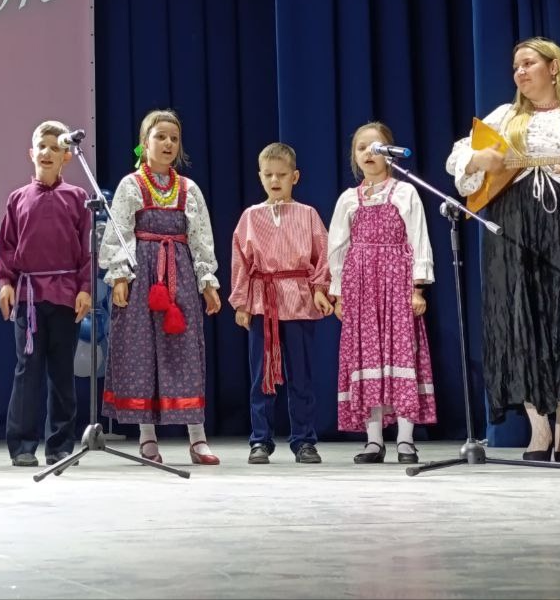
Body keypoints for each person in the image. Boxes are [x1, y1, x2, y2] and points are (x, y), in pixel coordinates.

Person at [446, 37, 560, 462]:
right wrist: (478, 160)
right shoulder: (506, 116)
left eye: (528, 63)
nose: (520, 72)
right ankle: (539, 429)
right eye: (516, 66)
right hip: (513, 224)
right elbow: (458, 156)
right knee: (521, 316)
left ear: (553, 67)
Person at [100, 109, 223, 465]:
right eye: (160, 137)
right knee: (142, 353)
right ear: (144, 142)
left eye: (174, 138)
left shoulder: (189, 189)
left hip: (178, 276)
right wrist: (120, 277)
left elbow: (201, 239)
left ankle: (197, 438)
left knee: (185, 353)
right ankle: (147, 437)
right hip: (141, 277)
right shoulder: (130, 186)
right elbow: (120, 233)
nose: (168, 143)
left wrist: (207, 282)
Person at [328, 121, 437, 465]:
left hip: (395, 283)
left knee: (400, 355)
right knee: (366, 358)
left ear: (389, 153)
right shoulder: (348, 199)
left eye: (376, 147)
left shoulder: (405, 192)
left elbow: (418, 238)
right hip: (361, 286)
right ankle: (373, 440)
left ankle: (405, 439)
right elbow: (337, 249)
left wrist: (417, 287)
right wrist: (338, 294)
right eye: (361, 147)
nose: (368, 153)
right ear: (354, 156)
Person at [0, 120, 93, 468]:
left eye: (55, 147)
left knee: (62, 372)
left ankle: (60, 445)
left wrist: (85, 289)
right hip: (29, 298)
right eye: (42, 146)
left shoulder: (78, 198)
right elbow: (6, 246)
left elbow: (87, 250)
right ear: (31, 153)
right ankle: (22, 445)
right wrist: (5, 283)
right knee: (28, 370)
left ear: (67, 156)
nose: (47, 152)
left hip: (65, 294)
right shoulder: (18, 198)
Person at [230, 142, 333, 465]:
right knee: (262, 376)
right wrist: (242, 302)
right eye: (269, 175)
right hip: (263, 302)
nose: (275, 180)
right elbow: (240, 261)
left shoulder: (308, 214)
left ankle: (304, 440)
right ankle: (260, 439)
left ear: (295, 177)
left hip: (298, 299)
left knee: (301, 376)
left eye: (282, 175)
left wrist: (320, 289)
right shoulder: (250, 216)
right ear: (260, 176)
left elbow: (323, 255)